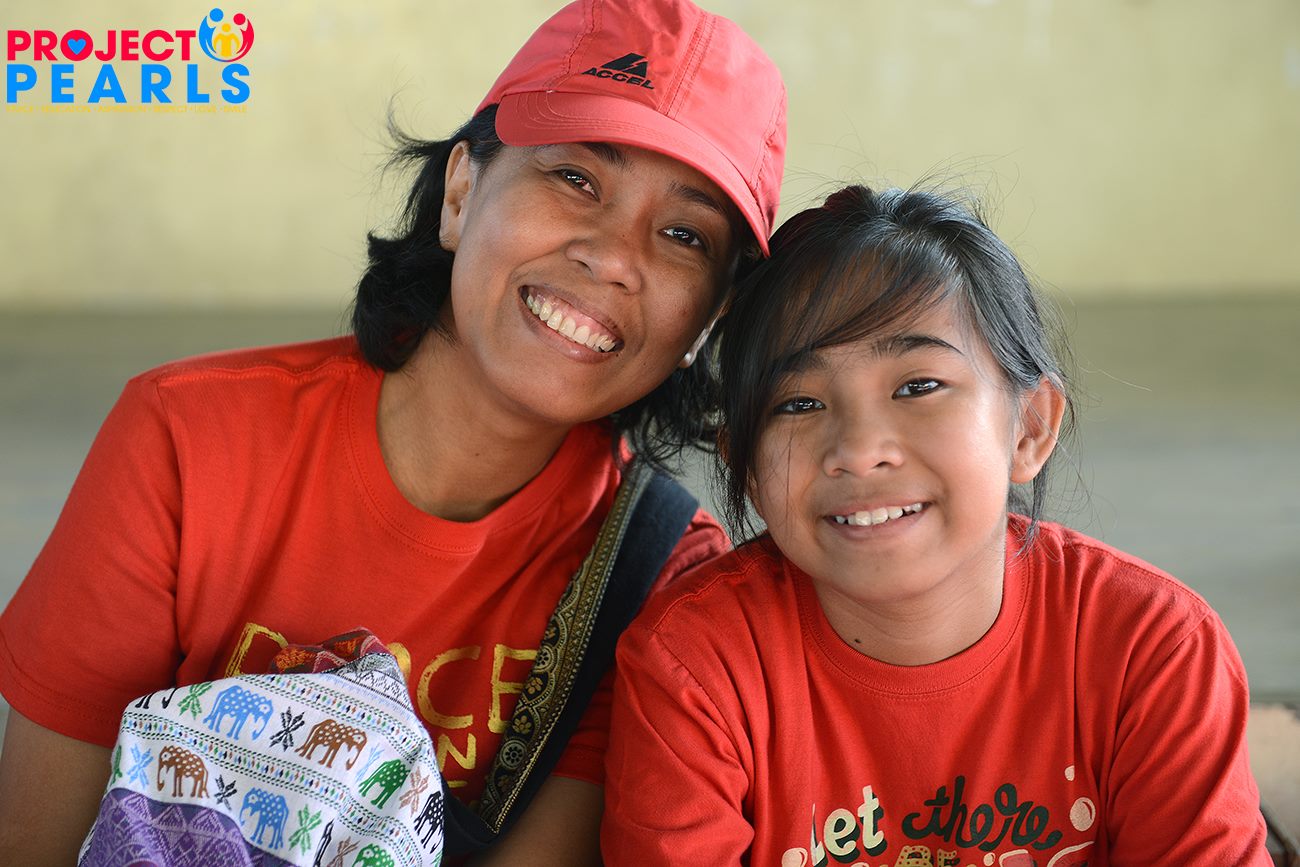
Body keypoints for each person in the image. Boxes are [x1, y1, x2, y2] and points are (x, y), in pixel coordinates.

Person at [0, 0, 787, 863]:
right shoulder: (188, 439)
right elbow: (38, 840)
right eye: (575, 178)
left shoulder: (661, 579)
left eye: (682, 234)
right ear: (460, 192)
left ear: (707, 322)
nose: (613, 255)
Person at [602, 185, 1270, 866]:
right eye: (798, 403)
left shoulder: (1151, 649)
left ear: (1029, 428)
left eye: (918, 386)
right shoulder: (695, 666)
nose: (859, 449)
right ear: (744, 466)